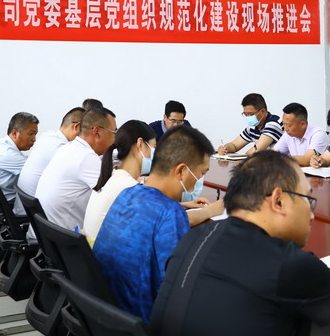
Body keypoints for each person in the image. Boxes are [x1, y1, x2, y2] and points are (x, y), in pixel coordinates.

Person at [150, 151, 330, 336]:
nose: (312, 215)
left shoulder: (194, 237)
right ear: (278, 201)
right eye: (308, 200)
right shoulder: (286, 264)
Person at [92, 125, 215, 321]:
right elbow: (176, 288)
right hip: (142, 323)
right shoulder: (170, 213)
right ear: (182, 171)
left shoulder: (128, 194)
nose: (200, 180)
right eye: (201, 173)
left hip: (105, 313)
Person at [36, 107, 117, 231]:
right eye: (114, 132)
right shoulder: (85, 157)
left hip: (47, 234)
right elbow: (118, 196)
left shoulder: (68, 148)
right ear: (97, 132)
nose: (115, 139)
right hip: (63, 238)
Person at [83, 121, 157, 243]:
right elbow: (160, 221)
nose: (155, 153)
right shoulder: (129, 187)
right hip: (103, 253)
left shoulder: (114, 176)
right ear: (140, 144)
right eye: (153, 147)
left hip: (92, 250)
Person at [13, 106, 84, 216]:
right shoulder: (60, 148)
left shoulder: (47, 136)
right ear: (77, 127)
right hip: (32, 216)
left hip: (26, 209)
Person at [217, 93, 283, 156]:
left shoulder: (273, 124)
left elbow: (257, 151)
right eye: (245, 114)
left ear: (262, 112)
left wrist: (243, 158)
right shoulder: (253, 126)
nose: (248, 117)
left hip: (280, 163)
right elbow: (234, 145)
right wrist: (225, 148)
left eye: (251, 114)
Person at [272, 102, 330, 167]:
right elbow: (273, 153)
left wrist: (280, 158)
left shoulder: (318, 134)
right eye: (283, 124)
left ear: (303, 124)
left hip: (320, 173)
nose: (285, 129)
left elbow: (307, 160)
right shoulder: (288, 134)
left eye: (289, 125)